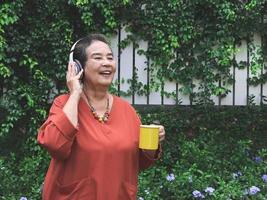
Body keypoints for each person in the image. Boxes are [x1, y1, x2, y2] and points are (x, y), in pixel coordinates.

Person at [37, 33, 165, 200]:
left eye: (110, 58)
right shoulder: (64, 104)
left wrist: (152, 145)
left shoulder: (127, 110)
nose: (107, 63)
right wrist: (75, 92)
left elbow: (138, 162)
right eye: (97, 58)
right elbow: (55, 145)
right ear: (77, 67)